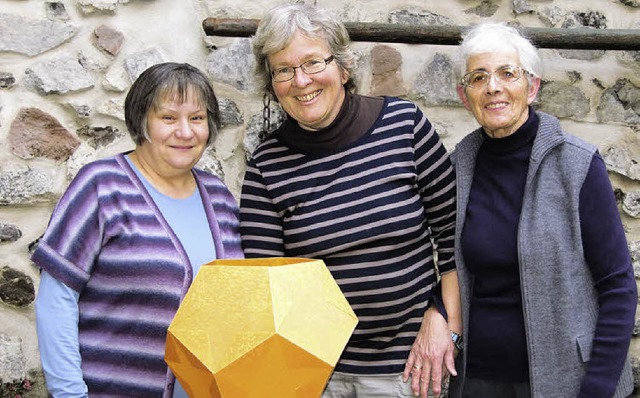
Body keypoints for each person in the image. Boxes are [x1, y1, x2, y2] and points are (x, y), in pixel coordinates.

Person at [239, 4, 461, 397]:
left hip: (408, 366)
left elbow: (453, 238)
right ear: (272, 82)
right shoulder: (266, 166)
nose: (300, 80)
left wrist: (445, 320)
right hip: (314, 375)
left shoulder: (404, 126)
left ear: (343, 67)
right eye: (284, 70)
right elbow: (269, 283)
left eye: (312, 62)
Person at [448, 22, 637, 398]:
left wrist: (597, 387)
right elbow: (447, 264)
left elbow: (618, 287)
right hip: (478, 379)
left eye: (507, 73)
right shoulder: (458, 166)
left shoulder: (577, 164)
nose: (493, 87)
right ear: (464, 95)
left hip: (567, 380)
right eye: (478, 77)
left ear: (532, 87)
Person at [32, 62, 244, 397]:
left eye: (197, 118)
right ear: (142, 120)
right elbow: (56, 301)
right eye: (169, 118)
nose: (185, 132)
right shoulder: (102, 186)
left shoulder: (220, 199)